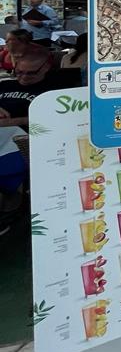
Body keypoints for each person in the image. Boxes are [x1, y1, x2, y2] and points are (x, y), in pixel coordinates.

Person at [0, 52, 79, 235]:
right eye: (18, 72)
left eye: (30, 73)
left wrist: (10, 122)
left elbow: (54, 120)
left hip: (25, 140)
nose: (23, 78)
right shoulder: (5, 84)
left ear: (46, 67)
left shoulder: (54, 91)